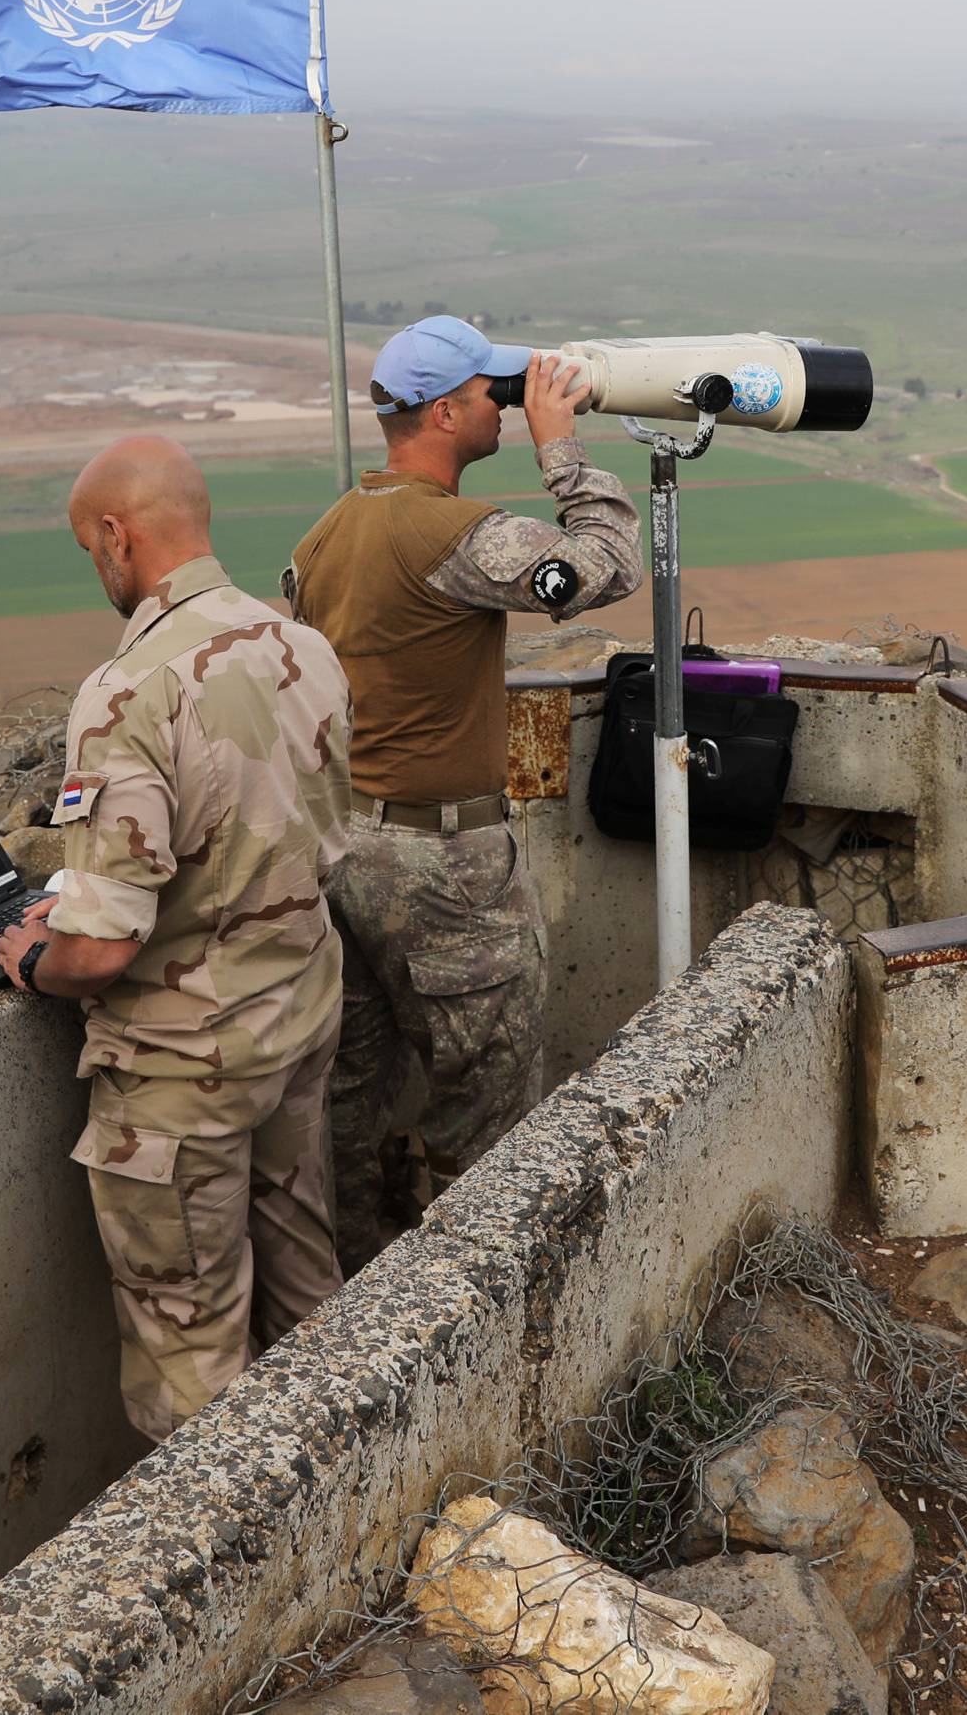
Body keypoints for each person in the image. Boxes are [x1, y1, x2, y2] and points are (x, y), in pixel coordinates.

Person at [0, 432, 352, 1443]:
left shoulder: (128, 692)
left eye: (88, 549)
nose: (96, 569)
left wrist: (31, 954)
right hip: (300, 1008)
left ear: (116, 536)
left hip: (187, 1065)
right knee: (308, 1287)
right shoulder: (299, 643)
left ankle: (235, 1584)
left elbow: (103, 947)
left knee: (190, 1353)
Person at [286, 317, 642, 1269]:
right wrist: (561, 449)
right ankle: (477, 1304)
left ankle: (354, 1305)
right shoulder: (456, 536)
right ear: (445, 413)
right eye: (493, 394)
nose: (505, 404)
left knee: (351, 1097)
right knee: (486, 1095)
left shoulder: (327, 533)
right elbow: (604, 564)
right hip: (443, 866)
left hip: (343, 850)